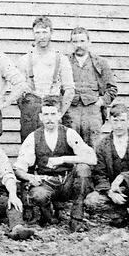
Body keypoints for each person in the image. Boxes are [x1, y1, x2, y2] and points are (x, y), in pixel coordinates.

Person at [13, 96, 96, 232]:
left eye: (53, 114)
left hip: (67, 183)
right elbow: (19, 168)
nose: (50, 118)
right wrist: (30, 177)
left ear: (59, 115)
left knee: (83, 169)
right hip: (47, 182)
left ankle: (76, 219)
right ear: (40, 117)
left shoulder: (69, 134)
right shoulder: (33, 137)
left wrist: (64, 159)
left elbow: (92, 159)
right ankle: (48, 215)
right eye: (46, 114)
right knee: (38, 195)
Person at [86, 104, 129, 230]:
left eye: (122, 120)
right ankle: (122, 215)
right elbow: (99, 173)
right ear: (109, 121)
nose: (119, 125)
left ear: (128, 120)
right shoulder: (103, 145)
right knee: (92, 201)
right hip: (116, 193)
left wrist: (123, 176)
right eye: (115, 121)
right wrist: (110, 192)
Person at [17, 16, 75, 142]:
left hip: (53, 111)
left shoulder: (61, 59)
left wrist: (60, 114)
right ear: (33, 34)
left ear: (51, 33)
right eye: (38, 32)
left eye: (45, 32)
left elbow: (70, 91)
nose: (41, 36)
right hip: (31, 113)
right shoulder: (24, 59)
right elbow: (18, 91)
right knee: (29, 149)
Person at [63, 26, 117, 147]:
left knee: (94, 146)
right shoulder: (64, 62)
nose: (79, 45)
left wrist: (101, 101)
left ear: (89, 42)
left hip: (92, 112)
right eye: (75, 41)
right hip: (71, 111)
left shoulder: (100, 63)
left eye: (82, 41)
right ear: (71, 43)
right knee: (70, 145)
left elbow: (112, 88)